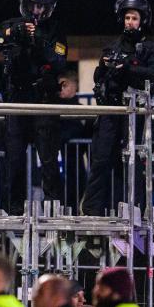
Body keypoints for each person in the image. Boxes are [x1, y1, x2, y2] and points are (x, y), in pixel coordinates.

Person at [0, 0, 67, 214]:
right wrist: (12, 34)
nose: (37, 11)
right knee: (15, 160)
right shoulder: (12, 25)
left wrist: (39, 40)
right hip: (17, 99)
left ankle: (53, 209)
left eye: (41, 7)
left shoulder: (55, 30)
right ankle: (13, 209)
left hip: (44, 101)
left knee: (49, 161)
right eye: (33, 6)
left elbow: (60, 61)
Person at [81, 0, 154, 216]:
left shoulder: (150, 48)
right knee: (100, 161)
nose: (130, 22)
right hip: (110, 112)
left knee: (132, 165)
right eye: (127, 17)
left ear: (143, 20)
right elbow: (99, 76)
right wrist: (105, 66)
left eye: (134, 18)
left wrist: (128, 68)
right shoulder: (113, 47)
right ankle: (91, 211)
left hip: (135, 115)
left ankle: (133, 211)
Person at [58, 70, 90, 211]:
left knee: (75, 194)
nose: (61, 89)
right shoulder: (51, 109)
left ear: (74, 87)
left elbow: (86, 134)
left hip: (74, 161)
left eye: (65, 85)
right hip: (57, 160)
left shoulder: (82, 111)